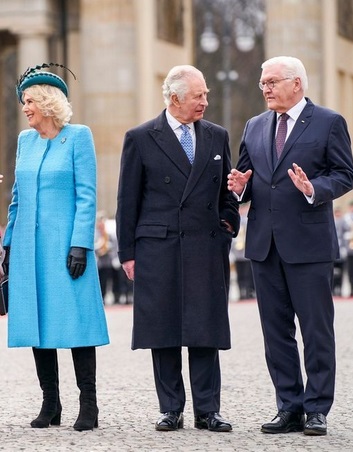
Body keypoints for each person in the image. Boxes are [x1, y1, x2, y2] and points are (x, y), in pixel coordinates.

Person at [227, 56, 353, 436]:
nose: (264, 88)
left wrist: (314, 189)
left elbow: (345, 174)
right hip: (264, 246)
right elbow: (247, 176)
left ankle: (317, 409)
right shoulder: (254, 124)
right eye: (262, 83)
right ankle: (289, 407)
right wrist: (239, 186)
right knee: (275, 332)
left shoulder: (329, 122)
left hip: (309, 244)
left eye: (272, 81)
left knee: (316, 331)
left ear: (297, 83)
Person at [116, 65, 239, 432]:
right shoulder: (140, 137)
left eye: (206, 94)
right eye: (198, 95)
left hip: (204, 244)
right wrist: (128, 253)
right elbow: (127, 200)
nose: (205, 101)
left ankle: (207, 410)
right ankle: (171, 408)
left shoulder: (217, 136)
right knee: (163, 328)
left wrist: (228, 222)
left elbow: (226, 194)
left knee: (205, 329)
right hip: (158, 246)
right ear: (174, 99)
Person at [2, 63, 109, 431]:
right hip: (29, 250)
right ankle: (51, 403)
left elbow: (87, 195)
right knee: (37, 324)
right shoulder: (24, 141)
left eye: (30, 101)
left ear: (48, 101)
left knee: (76, 325)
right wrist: (8, 243)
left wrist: (81, 243)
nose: (26, 108)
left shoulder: (78, 137)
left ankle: (89, 405)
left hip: (66, 249)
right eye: (23, 103)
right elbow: (17, 198)